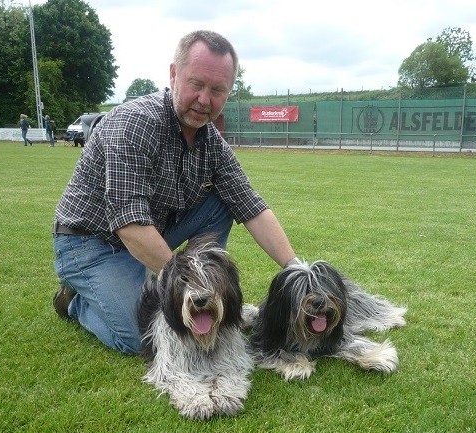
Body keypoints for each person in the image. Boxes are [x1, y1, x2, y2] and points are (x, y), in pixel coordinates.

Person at [52, 30, 299, 355]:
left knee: (222, 203)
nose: (205, 100)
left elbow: (251, 206)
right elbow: (129, 223)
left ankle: (198, 282)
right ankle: (76, 302)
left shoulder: (211, 142)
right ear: (173, 75)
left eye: (218, 90)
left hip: (152, 233)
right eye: (196, 84)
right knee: (144, 335)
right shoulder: (133, 125)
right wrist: (185, 284)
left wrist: (297, 270)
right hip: (90, 243)